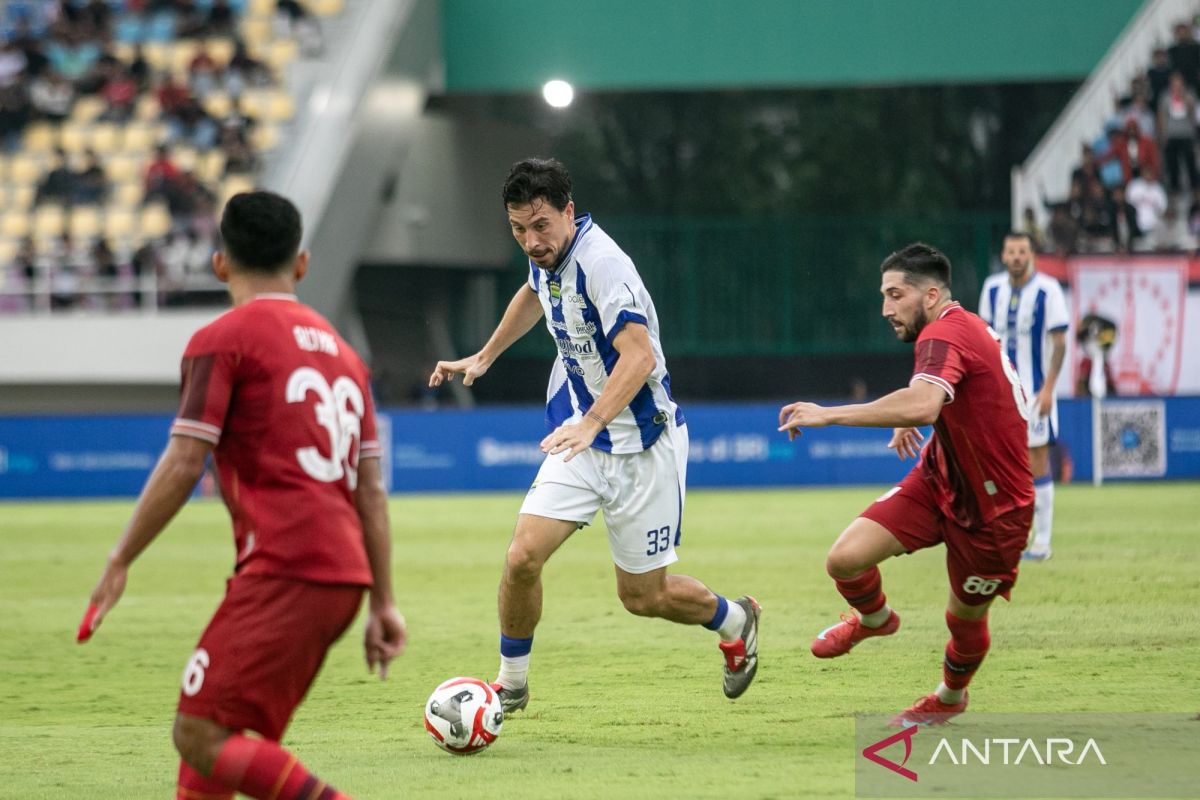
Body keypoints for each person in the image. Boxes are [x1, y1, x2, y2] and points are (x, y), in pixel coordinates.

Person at [78, 192, 406, 800]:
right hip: (341, 576)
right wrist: (383, 600)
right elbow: (371, 492)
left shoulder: (222, 338)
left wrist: (121, 558)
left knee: (197, 731)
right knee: (212, 743)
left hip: (287, 567)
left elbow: (184, 461)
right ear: (301, 264)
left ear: (220, 264)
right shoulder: (345, 355)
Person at [429, 158, 760, 713]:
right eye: (517, 229)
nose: (530, 241)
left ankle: (736, 618)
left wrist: (593, 422)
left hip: (642, 446)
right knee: (522, 558)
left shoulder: (604, 265)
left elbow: (640, 355)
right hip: (581, 439)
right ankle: (511, 684)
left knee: (642, 597)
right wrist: (486, 357)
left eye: (540, 227)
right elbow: (534, 292)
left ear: (569, 212)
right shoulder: (548, 258)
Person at [779, 243, 1033, 726]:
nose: (885, 309)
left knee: (964, 620)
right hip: (941, 478)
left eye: (895, 295)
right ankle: (876, 621)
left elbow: (922, 405)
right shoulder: (957, 325)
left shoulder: (943, 332)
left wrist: (827, 414)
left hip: (995, 510)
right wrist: (923, 408)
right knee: (844, 560)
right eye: (884, 295)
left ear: (931, 294)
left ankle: (950, 697)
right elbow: (937, 395)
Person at [978, 233, 1068, 561]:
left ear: (1031, 255)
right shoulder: (992, 289)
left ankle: (1042, 542)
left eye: (1022, 251)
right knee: (998, 466)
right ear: (1003, 255)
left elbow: (1059, 342)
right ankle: (1009, 537)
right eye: (1011, 251)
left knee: (1037, 463)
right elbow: (984, 342)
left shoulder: (1049, 289)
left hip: (1035, 392)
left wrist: (1049, 389)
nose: (1016, 257)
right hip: (999, 395)